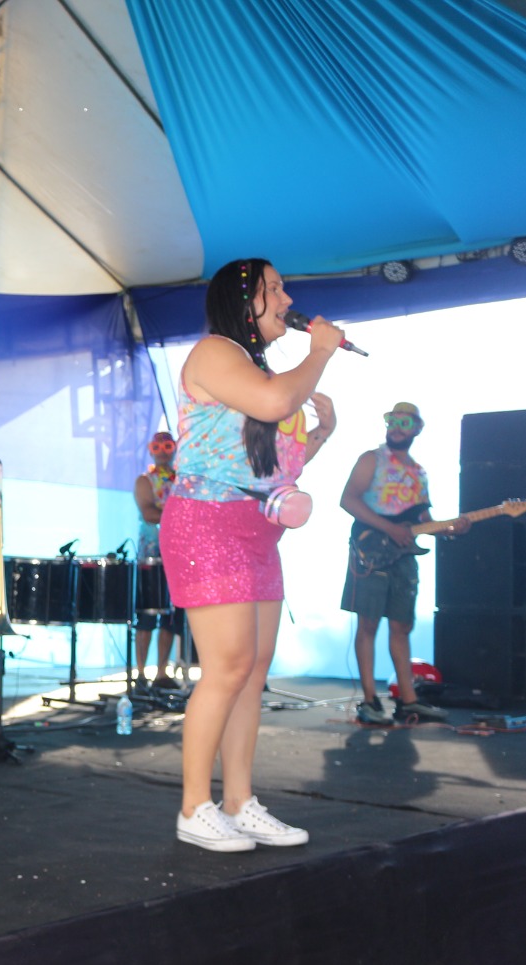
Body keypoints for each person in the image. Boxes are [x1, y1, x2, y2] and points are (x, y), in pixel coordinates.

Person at [160, 258, 340, 853]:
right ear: (245, 301)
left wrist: (321, 434)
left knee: (252, 671)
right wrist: (319, 353)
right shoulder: (215, 352)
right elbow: (273, 402)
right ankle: (195, 807)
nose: (288, 299)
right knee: (229, 666)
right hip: (207, 525)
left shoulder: (255, 369)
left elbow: (272, 468)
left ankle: (239, 802)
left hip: (255, 530)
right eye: (275, 289)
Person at [339, 402, 468, 725]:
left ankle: (409, 701)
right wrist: (389, 528)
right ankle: (370, 700)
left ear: (417, 428)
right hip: (370, 552)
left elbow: (422, 520)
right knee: (368, 624)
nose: (396, 427)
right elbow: (348, 499)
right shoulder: (371, 459)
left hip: (404, 556)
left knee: (401, 626)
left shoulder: (418, 472)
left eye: (404, 422)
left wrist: (449, 529)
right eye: (391, 420)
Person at [132, 430, 186, 688]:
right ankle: (141, 673)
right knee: (146, 616)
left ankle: (162, 673)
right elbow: (149, 513)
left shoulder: (183, 481)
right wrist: (180, 514)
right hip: (151, 558)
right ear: (151, 450)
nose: (163, 452)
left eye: (168, 446)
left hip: (179, 556)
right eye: (158, 447)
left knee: (171, 617)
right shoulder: (145, 481)